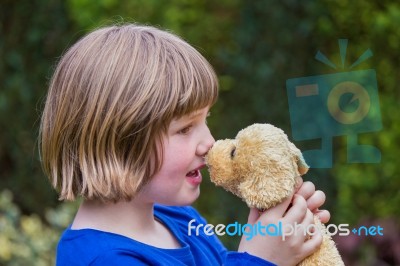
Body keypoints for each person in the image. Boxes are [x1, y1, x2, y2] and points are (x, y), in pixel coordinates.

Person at [39, 23, 330, 266]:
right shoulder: (104, 260)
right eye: (184, 128)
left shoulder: (179, 219)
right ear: (117, 142)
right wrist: (260, 260)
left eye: (205, 120)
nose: (209, 142)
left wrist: (271, 236)